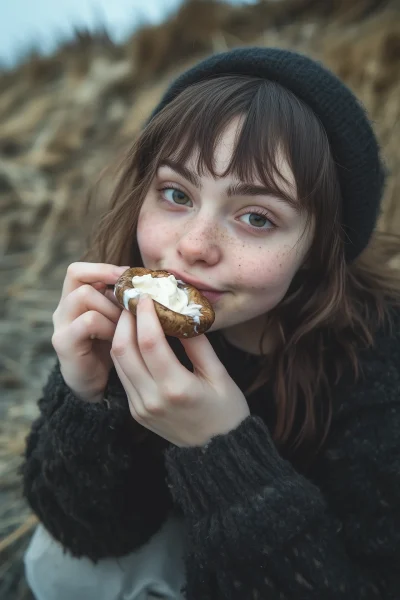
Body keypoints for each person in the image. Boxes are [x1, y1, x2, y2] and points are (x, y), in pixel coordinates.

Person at [21, 47, 400, 600]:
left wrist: (220, 449)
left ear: (320, 249)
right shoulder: (129, 324)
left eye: (256, 217)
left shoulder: (380, 374)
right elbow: (87, 535)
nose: (194, 246)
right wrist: (87, 398)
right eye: (176, 194)